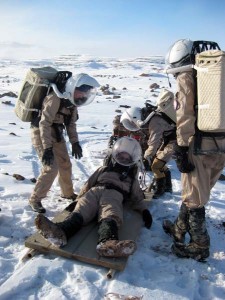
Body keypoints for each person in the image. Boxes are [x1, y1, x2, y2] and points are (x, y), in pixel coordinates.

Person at [34, 137, 153, 257]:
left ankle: (107, 243)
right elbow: (88, 184)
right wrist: (77, 200)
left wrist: (144, 211)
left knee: (111, 214)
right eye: (121, 156)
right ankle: (60, 233)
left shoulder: (131, 178)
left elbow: (137, 196)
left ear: (131, 161)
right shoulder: (104, 169)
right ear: (115, 155)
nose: (123, 159)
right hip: (95, 191)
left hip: (114, 195)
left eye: (126, 158)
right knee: (81, 210)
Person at [162, 39, 225, 261]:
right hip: (221, 147)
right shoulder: (216, 76)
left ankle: (199, 246)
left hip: (198, 148)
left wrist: (180, 147)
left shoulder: (187, 77)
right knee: (194, 194)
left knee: (194, 200)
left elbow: (184, 114)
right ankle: (179, 229)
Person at [29, 73, 100, 214]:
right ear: (73, 88)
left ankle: (67, 193)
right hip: (41, 132)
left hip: (56, 132)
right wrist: (47, 148)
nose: (83, 95)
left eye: (86, 92)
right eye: (82, 91)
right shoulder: (55, 98)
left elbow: (71, 124)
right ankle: (35, 199)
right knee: (51, 167)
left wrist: (75, 142)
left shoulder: (73, 102)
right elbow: (44, 124)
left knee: (65, 163)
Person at [120, 90, 176, 199]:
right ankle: (167, 187)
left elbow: (154, 142)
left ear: (136, 118)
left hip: (175, 141)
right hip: (172, 139)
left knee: (156, 166)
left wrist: (147, 156)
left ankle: (160, 189)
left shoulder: (155, 121)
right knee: (160, 163)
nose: (133, 126)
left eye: (132, 123)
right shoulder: (154, 117)